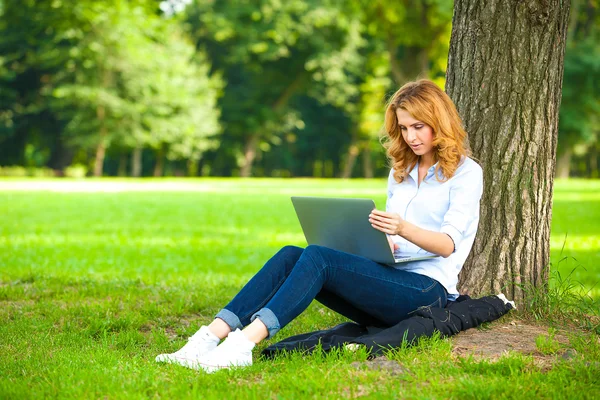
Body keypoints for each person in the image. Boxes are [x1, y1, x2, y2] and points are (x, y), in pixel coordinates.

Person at [155, 79, 484, 373]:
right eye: (404, 128)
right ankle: (208, 339)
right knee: (289, 256)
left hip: (426, 290)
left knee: (318, 257)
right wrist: (374, 241)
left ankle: (243, 345)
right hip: (390, 276)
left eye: (418, 127)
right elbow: (393, 239)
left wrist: (401, 228)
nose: (410, 137)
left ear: (438, 123)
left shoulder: (466, 174)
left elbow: (447, 245)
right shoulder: (401, 172)